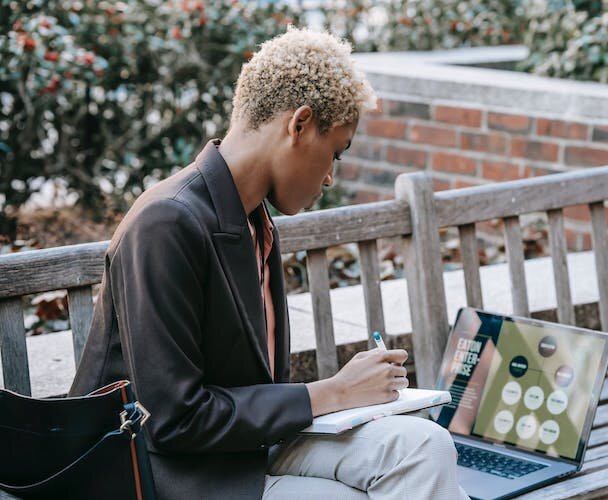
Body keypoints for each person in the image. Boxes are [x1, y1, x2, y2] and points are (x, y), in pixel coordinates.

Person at [69, 26, 469, 499]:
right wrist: (334, 392)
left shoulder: (255, 221)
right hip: (155, 471)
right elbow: (174, 422)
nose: (329, 178)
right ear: (298, 125)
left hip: (244, 450)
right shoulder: (166, 223)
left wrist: (347, 398)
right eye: (334, 153)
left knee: (425, 446)